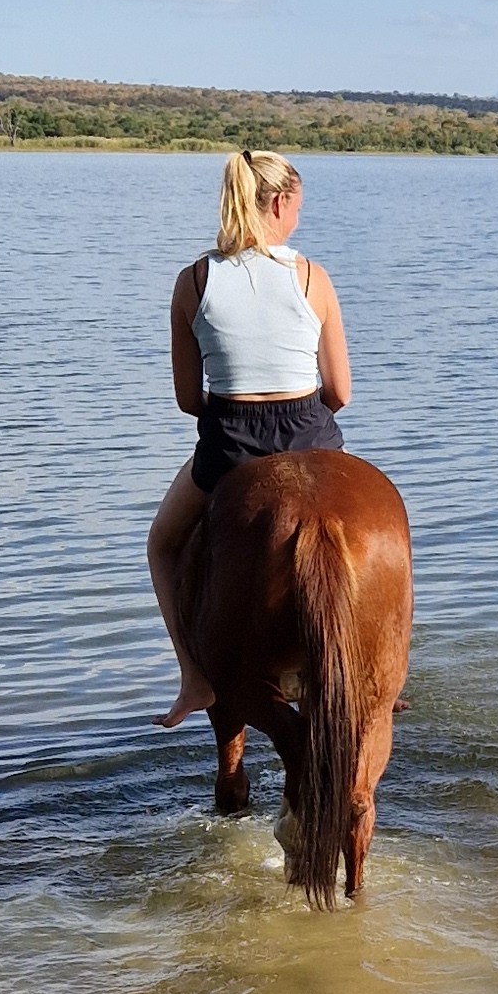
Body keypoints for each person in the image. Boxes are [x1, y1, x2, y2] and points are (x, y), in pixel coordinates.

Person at [148, 148, 353, 724]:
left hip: (230, 441)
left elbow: (189, 400)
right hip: (309, 433)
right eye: (298, 207)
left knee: (161, 545)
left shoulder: (193, 281)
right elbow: (340, 391)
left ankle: (193, 679)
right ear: (281, 202)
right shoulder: (312, 276)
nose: (299, 218)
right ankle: (372, 671)